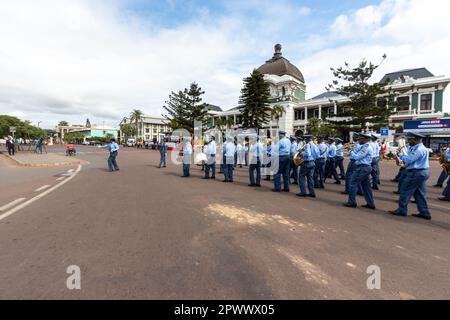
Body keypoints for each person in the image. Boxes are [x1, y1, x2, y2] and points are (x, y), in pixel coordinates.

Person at [388, 132, 431, 220]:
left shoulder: (419, 149)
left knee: (405, 191)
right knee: (419, 194)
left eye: (409, 139)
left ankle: (402, 210)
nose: (408, 141)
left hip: (416, 173)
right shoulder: (417, 147)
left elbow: (409, 159)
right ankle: (424, 212)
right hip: (421, 172)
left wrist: (400, 155)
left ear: (415, 140)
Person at [343, 133, 375, 209]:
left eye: (360, 139)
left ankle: (352, 202)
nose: (358, 140)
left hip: (362, 167)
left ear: (365, 139)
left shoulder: (366, 147)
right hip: (364, 167)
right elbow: (356, 155)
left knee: (352, 183)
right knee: (366, 186)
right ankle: (370, 203)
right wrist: (351, 150)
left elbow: (357, 157)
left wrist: (350, 151)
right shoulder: (363, 146)